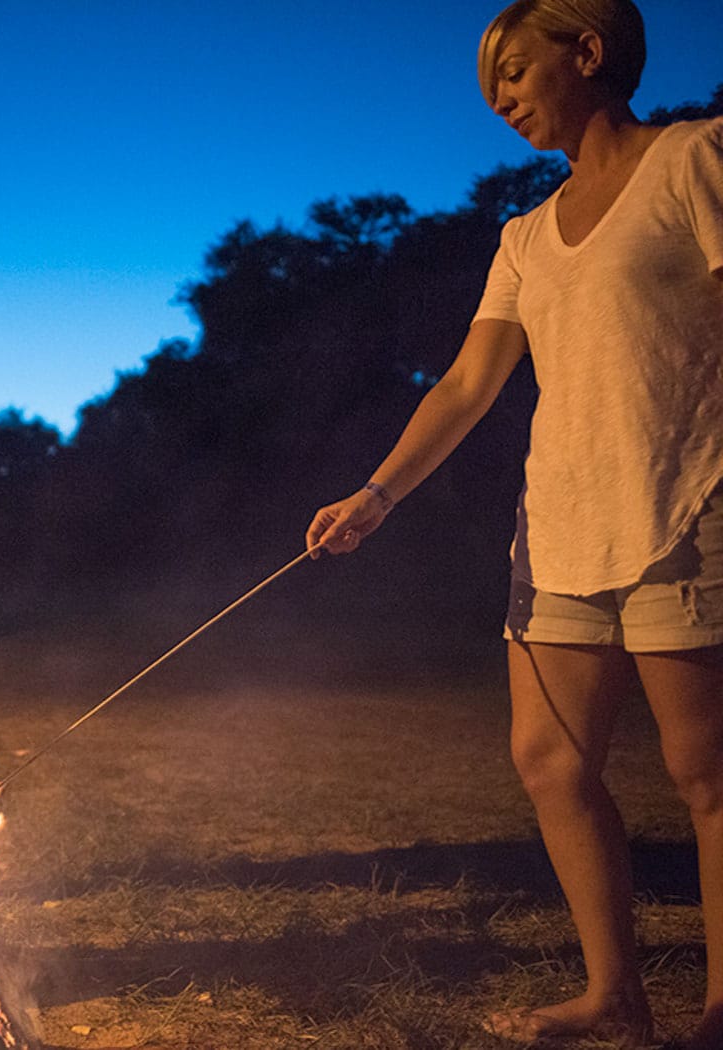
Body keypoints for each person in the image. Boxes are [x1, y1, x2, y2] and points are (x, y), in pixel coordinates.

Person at [306, 1, 723, 1043]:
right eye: (487, 84)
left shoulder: (694, 160)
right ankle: (612, 993)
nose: (497, 98)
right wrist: (375, 494)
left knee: (703, 774)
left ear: (587, 51)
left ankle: (721, 1009)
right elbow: (463, 386)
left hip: (687, 506)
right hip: (562, 528)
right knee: (547, 762)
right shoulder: (524, 236)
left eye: (514, 70)